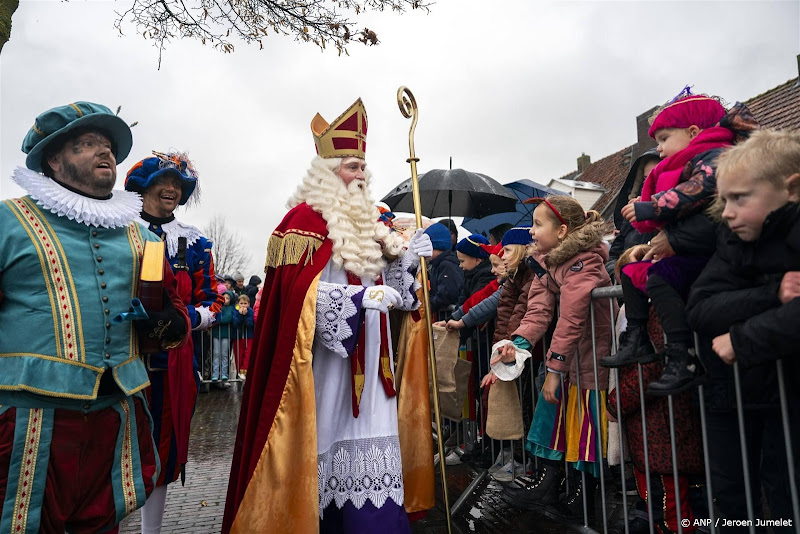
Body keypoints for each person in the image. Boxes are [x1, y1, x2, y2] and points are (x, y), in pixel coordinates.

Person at [223, 98, 433, 533]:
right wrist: (357, 303)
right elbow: (297, 296)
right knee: (325, 443)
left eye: (363, 168)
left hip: (374, 361)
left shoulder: (372, 224)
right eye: (352, 166)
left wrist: (406, 264)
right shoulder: (302, 221)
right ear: (325, 170)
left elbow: (402, 300)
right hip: (325, 362)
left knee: (371, 446)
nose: (361, 176)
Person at [0, 101, 190, 533]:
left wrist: (162, 322)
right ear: (54, 158)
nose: (105, 153)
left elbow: (173, 320)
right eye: (87, 144)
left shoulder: (141, 234)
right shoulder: (7, 221)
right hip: (30, 419)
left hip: (116, 412)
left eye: (107, 146)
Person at [599, 88, 758, 396]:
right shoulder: (689, 160)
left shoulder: (715, 155)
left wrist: (652, 208)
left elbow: (702, 190)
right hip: (699, 259)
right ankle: (638, 337)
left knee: (659, 278)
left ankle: (680, 355)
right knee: (632, 270)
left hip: (717, 268)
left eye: (663, 139)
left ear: (693, 131)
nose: (658, 149)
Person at [686, 130, 800, 532]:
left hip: (784, 397)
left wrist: (740, 338)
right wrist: (772, 293)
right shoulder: (732, 241)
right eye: (724, 199)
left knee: (787, 499)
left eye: (740, 198)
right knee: (732, 499)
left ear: (792, 188)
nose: (728, 212)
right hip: (732, 392)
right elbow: (699, 308)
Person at [124, 151, 224, 533]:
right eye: (163, 183)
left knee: (163, 449)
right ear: (144, 187)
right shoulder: (119, 229)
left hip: (173, 364)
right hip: (123, 357)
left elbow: (212, 297)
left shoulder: (194, 242)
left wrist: (187, 320)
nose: (171, 190)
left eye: (178, 186)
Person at [498, 195, 614, 522]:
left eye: (537, 224)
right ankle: (550, 484)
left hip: (592, 360)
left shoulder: (586, 260)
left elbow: (573, 317)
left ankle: (584, 499)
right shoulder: (547, 263)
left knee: (587, 430)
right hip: (570, 359)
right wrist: (516, 345)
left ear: (562, 231)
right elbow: (537, 312)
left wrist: (553, 368)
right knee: (554, 419)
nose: (531, 232)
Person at [605, 149, 660, 281]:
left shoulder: (679, 212)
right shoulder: (630, 219)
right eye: (646, 179)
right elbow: (612, 257)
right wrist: (621, 274)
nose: (650, 184)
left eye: (657, 177)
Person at [424, 222, 464, 316]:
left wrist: (429, 305)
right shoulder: (437, 264)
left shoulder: (447, 265)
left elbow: (446, 293)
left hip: (449, 316)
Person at [210, 290, 235, 383]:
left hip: (225, 334)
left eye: (227, 298)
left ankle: (224, 373)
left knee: (224, 354)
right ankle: (215, 374)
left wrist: (218, 320)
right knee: (216, 354)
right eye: (224, 297)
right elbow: (213, 316)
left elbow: (227, 318)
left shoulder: (231, 308)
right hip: (216, 334)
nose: (225, 300)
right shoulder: (218, 306)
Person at [232, 293, 255, 377]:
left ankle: (244, 370)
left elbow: (249, 323)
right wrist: (240, 315)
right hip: (238, 336)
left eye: (245, 303)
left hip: (248, 336)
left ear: (248, 304)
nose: (243, 305)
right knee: (238, 354)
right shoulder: (235, 311)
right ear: (238, 303)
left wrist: (245, 315)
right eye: (241, 303)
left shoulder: (250, 311)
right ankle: (239, 371)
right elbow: (235, 323)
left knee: (248, 353)